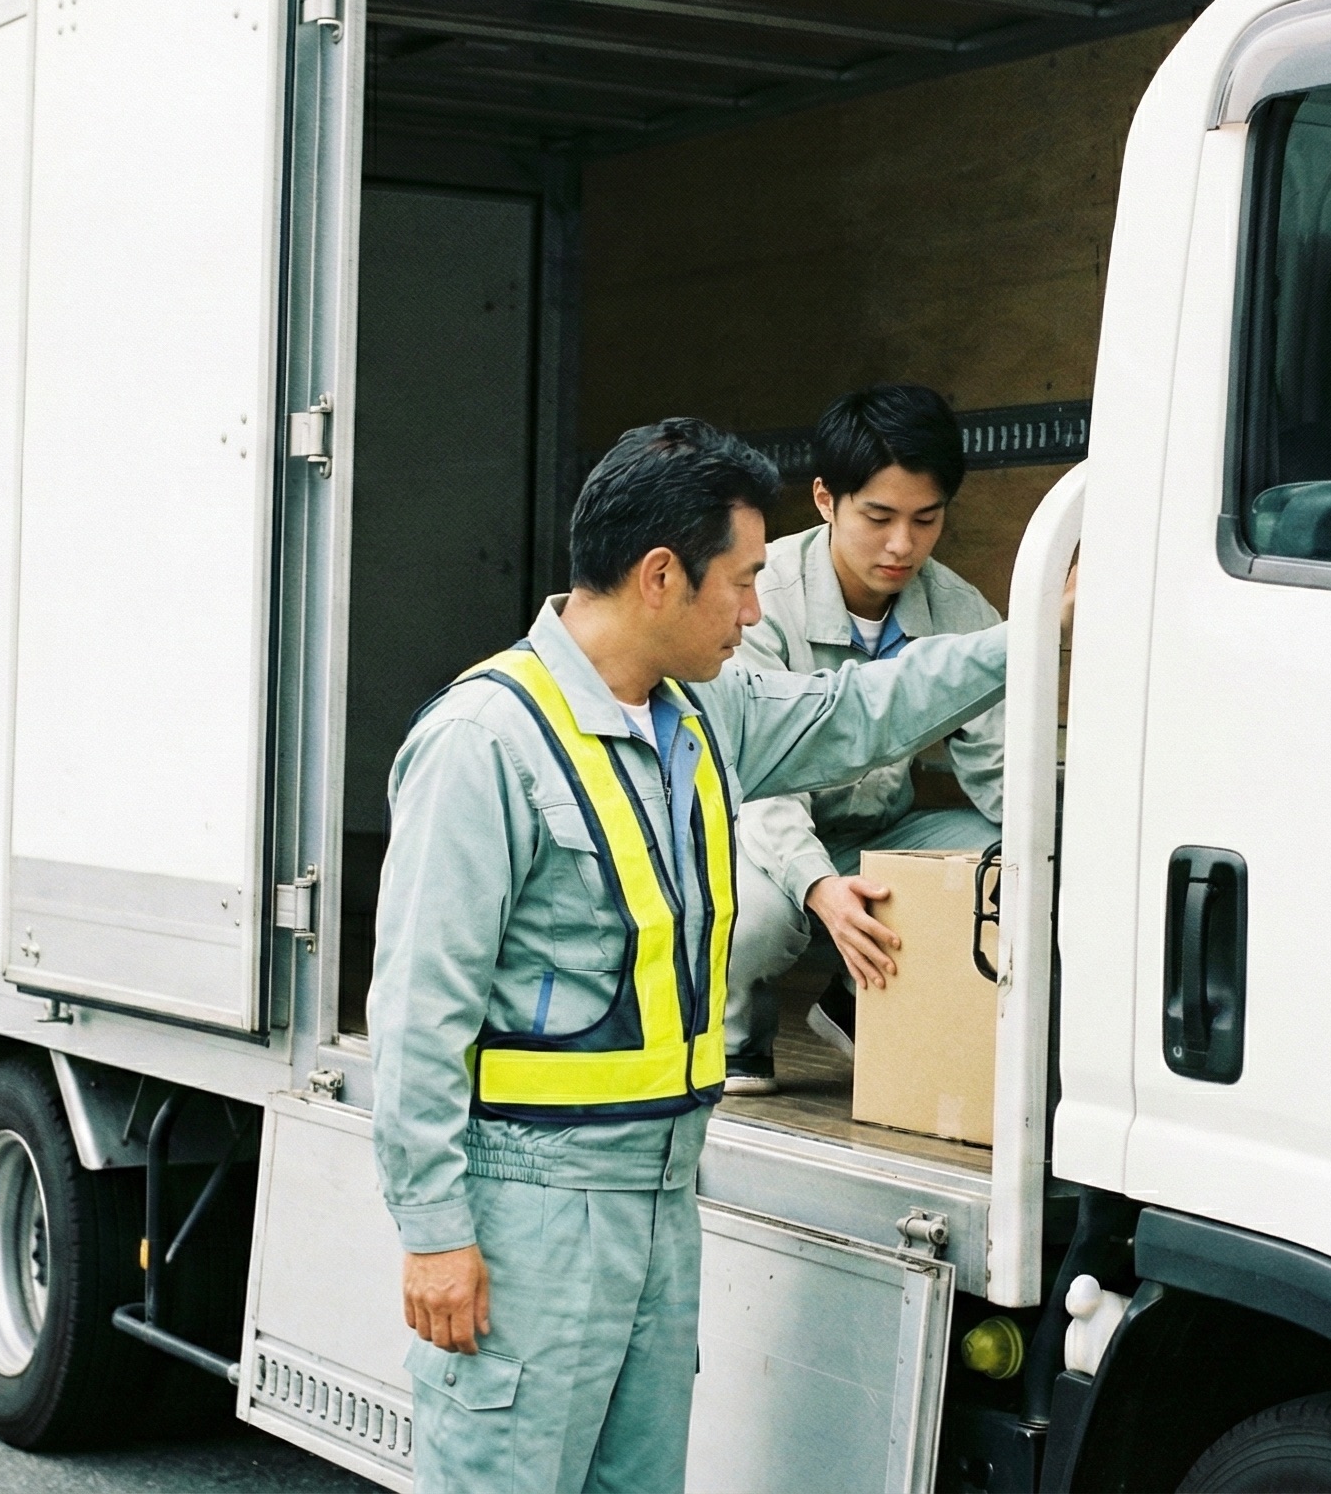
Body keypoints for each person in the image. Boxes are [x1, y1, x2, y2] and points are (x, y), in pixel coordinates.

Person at [369, 416, 1010, 1494]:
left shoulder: (702, 715)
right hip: (534, 1206)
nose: (757, 612)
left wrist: (1033, 634)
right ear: (662, 576)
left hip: (663, 1193)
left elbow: (864, 707)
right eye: (744, 582)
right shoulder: (486, 743)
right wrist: (434, 1233)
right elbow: (417, 1014)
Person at [720, 384, 1002, 1096]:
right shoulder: (760, 598)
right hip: (754, 835)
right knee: (756, 916)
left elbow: (1004, 770)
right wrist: (819, 887)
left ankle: (852, 1005)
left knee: (1006, 859)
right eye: (878, 517)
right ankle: (733, 1037)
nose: (902, 544)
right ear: (826, 499)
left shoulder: (961, 610)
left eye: (926, 518)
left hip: (877, 835)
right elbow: (757, 784)